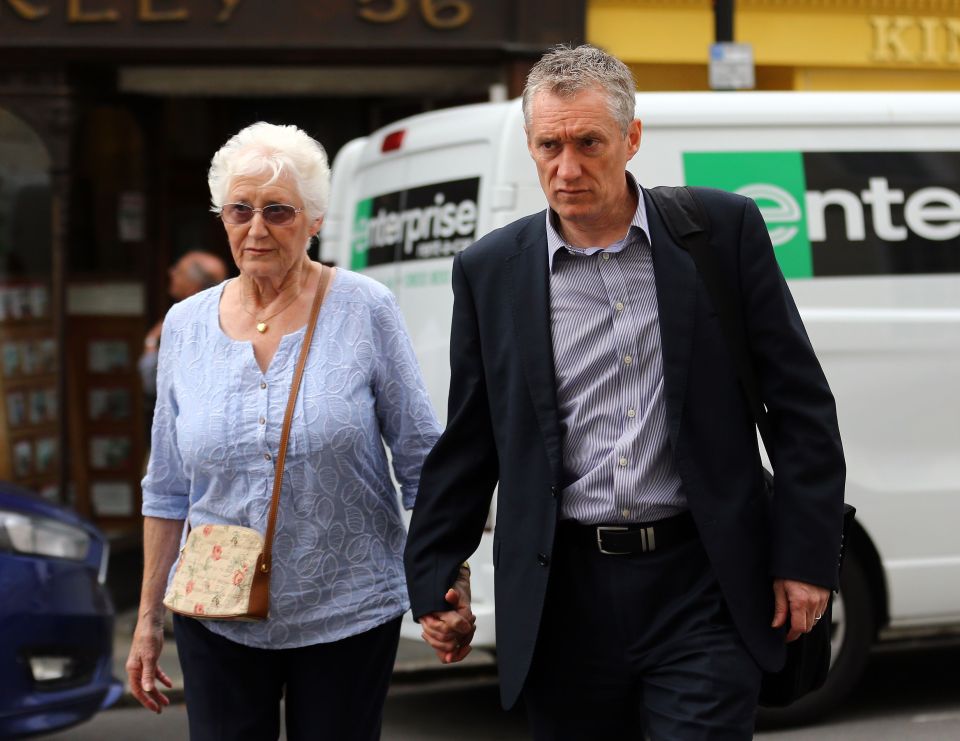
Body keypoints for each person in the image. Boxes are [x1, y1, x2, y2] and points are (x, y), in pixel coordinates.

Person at [404, 44, 846, 740]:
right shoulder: (490, 271)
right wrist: (434, 574)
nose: (567, 168)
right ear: (530, 143)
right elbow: (472, 437)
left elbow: (800, 408)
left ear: (632, 138)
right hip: (562, 596)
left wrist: (805, 558)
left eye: (589, 143)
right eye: (550, 145)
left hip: (703, 584)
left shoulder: (720, 234)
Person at [126, 121, 442, 741]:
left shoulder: (366, 308)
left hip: (347, 609)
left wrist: (442, 580)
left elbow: (420, 459)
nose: (257, 227)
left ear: (314, 219)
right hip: (217, 610)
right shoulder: (185, 325)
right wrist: (147, 620)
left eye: (278, 210)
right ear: (222, 217)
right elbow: (165, 486)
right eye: (240, 210)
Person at [138, 251, 227, 436]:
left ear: (193, 285)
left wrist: (151, 341)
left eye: (179, 270)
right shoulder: (219, 315)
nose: (171, 272)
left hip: (183, 435)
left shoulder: (186, 323)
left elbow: (151, 381)